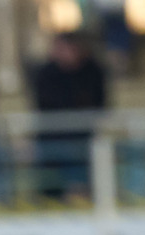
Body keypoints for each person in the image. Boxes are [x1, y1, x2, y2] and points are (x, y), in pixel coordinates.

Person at [31, 32, 107, 200]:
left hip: (82, 136)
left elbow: (99, 103)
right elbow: (45, 105)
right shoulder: (45, 73)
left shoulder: (93, 71)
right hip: (52, 137)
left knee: (83, 180)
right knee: (51, 185)